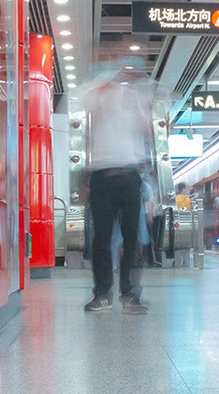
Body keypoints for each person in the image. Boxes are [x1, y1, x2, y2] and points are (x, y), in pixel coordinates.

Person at [82, 66, 157, 314]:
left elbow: (146, 129)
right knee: (101, 239)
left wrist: (140, 102)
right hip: (102, 175)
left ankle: (129, 293)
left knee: (132, 238)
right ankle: (103, 293)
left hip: (129, 175)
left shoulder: (136, 98)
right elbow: (85, 101)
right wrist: (106, 78)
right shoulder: (98, 92)